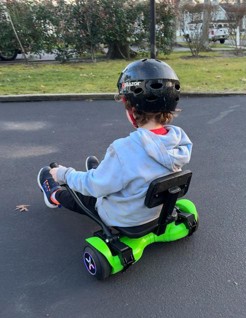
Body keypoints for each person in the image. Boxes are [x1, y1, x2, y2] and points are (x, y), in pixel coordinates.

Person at [37, 58, 192, 228]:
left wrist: (63, 174)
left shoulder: (123, 150)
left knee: (88, 197)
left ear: (132, 109)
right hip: (158, 212)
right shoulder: (179, 140)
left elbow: (94, 186)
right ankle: (104, 171)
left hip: (125, 219)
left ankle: (53, 195)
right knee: (108, 178)